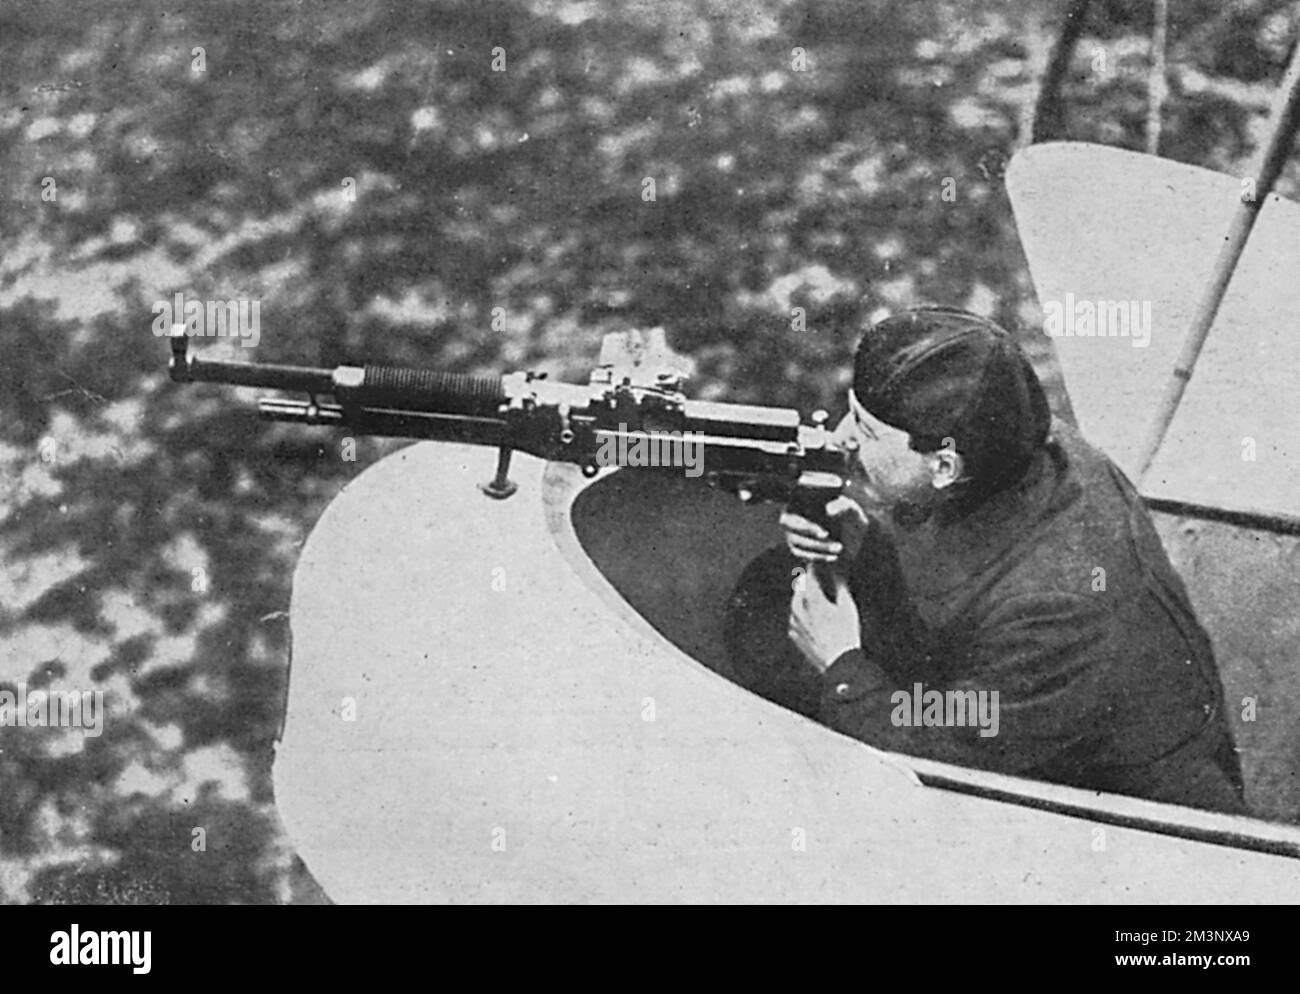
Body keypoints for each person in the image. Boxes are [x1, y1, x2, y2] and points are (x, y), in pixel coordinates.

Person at [724, 306, 1246, 815]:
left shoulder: (1060, 607)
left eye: (865, 429)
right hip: (1033, 718)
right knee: (770, 591)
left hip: (1132, 826)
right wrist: (870, 546)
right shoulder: (1011, 439)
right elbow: (962, 559)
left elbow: (950, 751)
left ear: (945, 465)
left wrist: (840, 665)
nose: (841, 438)